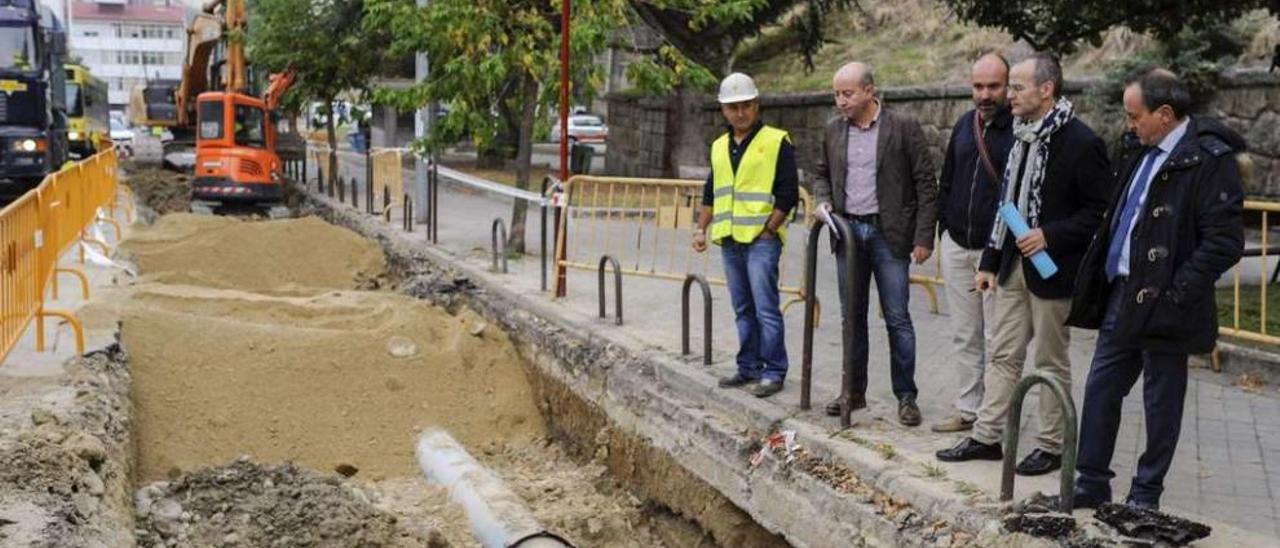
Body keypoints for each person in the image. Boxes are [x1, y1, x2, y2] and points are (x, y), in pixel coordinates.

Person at [1068, 69, 1244, 510]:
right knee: (1101, 388)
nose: (1129, 124)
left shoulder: (1208, 158)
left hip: (1169, 304)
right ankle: (1091, 482)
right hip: (1122, 293)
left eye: (1135, 116)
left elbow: (1224, 242)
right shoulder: (1138, 149)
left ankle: (1146, 493)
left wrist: (1177, 293)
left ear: (1164, 115)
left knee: (1160, 402)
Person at [936, 53, 1111, 475]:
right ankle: (987, 436)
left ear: (1046, 90)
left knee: (1050, 360)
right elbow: (1007, 205)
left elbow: (1100, 212)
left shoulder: (1081, 142)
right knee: (1003, 353)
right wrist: (991, 261)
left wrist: (1050, 234)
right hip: (1014, 266)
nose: (1009, 95)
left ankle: (1051, 446)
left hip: (1055, 272)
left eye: (1017, 87)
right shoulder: (1020, 135)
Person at [811, 62, 938, 426]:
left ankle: (907, 396)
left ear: (869, 90)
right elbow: (822, 173)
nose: (840, 101)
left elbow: (925, 183)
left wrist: (923, 237)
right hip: (847, 234)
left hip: (889, 235)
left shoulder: (903, 127)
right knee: (852, 317)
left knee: (897, 317)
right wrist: (823, 202)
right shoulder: (834, 129)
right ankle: (853, 391)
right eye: (836, 94)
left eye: (847, 93)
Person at [692, 72, 799, 399]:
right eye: (733, 107)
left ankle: (774, 370)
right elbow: (712, 191)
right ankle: (748, 366)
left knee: (766, 307)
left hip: (761, 241)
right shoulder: (719, 146)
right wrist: (701, 228)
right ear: (724, 110)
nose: (740, 112)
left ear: (756, 105)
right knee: (742, 308)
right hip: (730, 240)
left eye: (746, 105)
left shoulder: (776, 141)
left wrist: (769, 229)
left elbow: (788, 192)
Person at [932, 53, 1014, 433]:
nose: (985, 94)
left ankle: (996, 417)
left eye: (993, 86)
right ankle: (968, 410)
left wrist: (1001, 249)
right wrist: (943, 229)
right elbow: (947, 178)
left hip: (994, 250)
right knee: (964, 334)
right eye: (978, 86)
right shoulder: (965, 125)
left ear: (1007, 86)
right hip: (957, 244)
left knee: (998, 338)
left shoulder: (1019, 130)